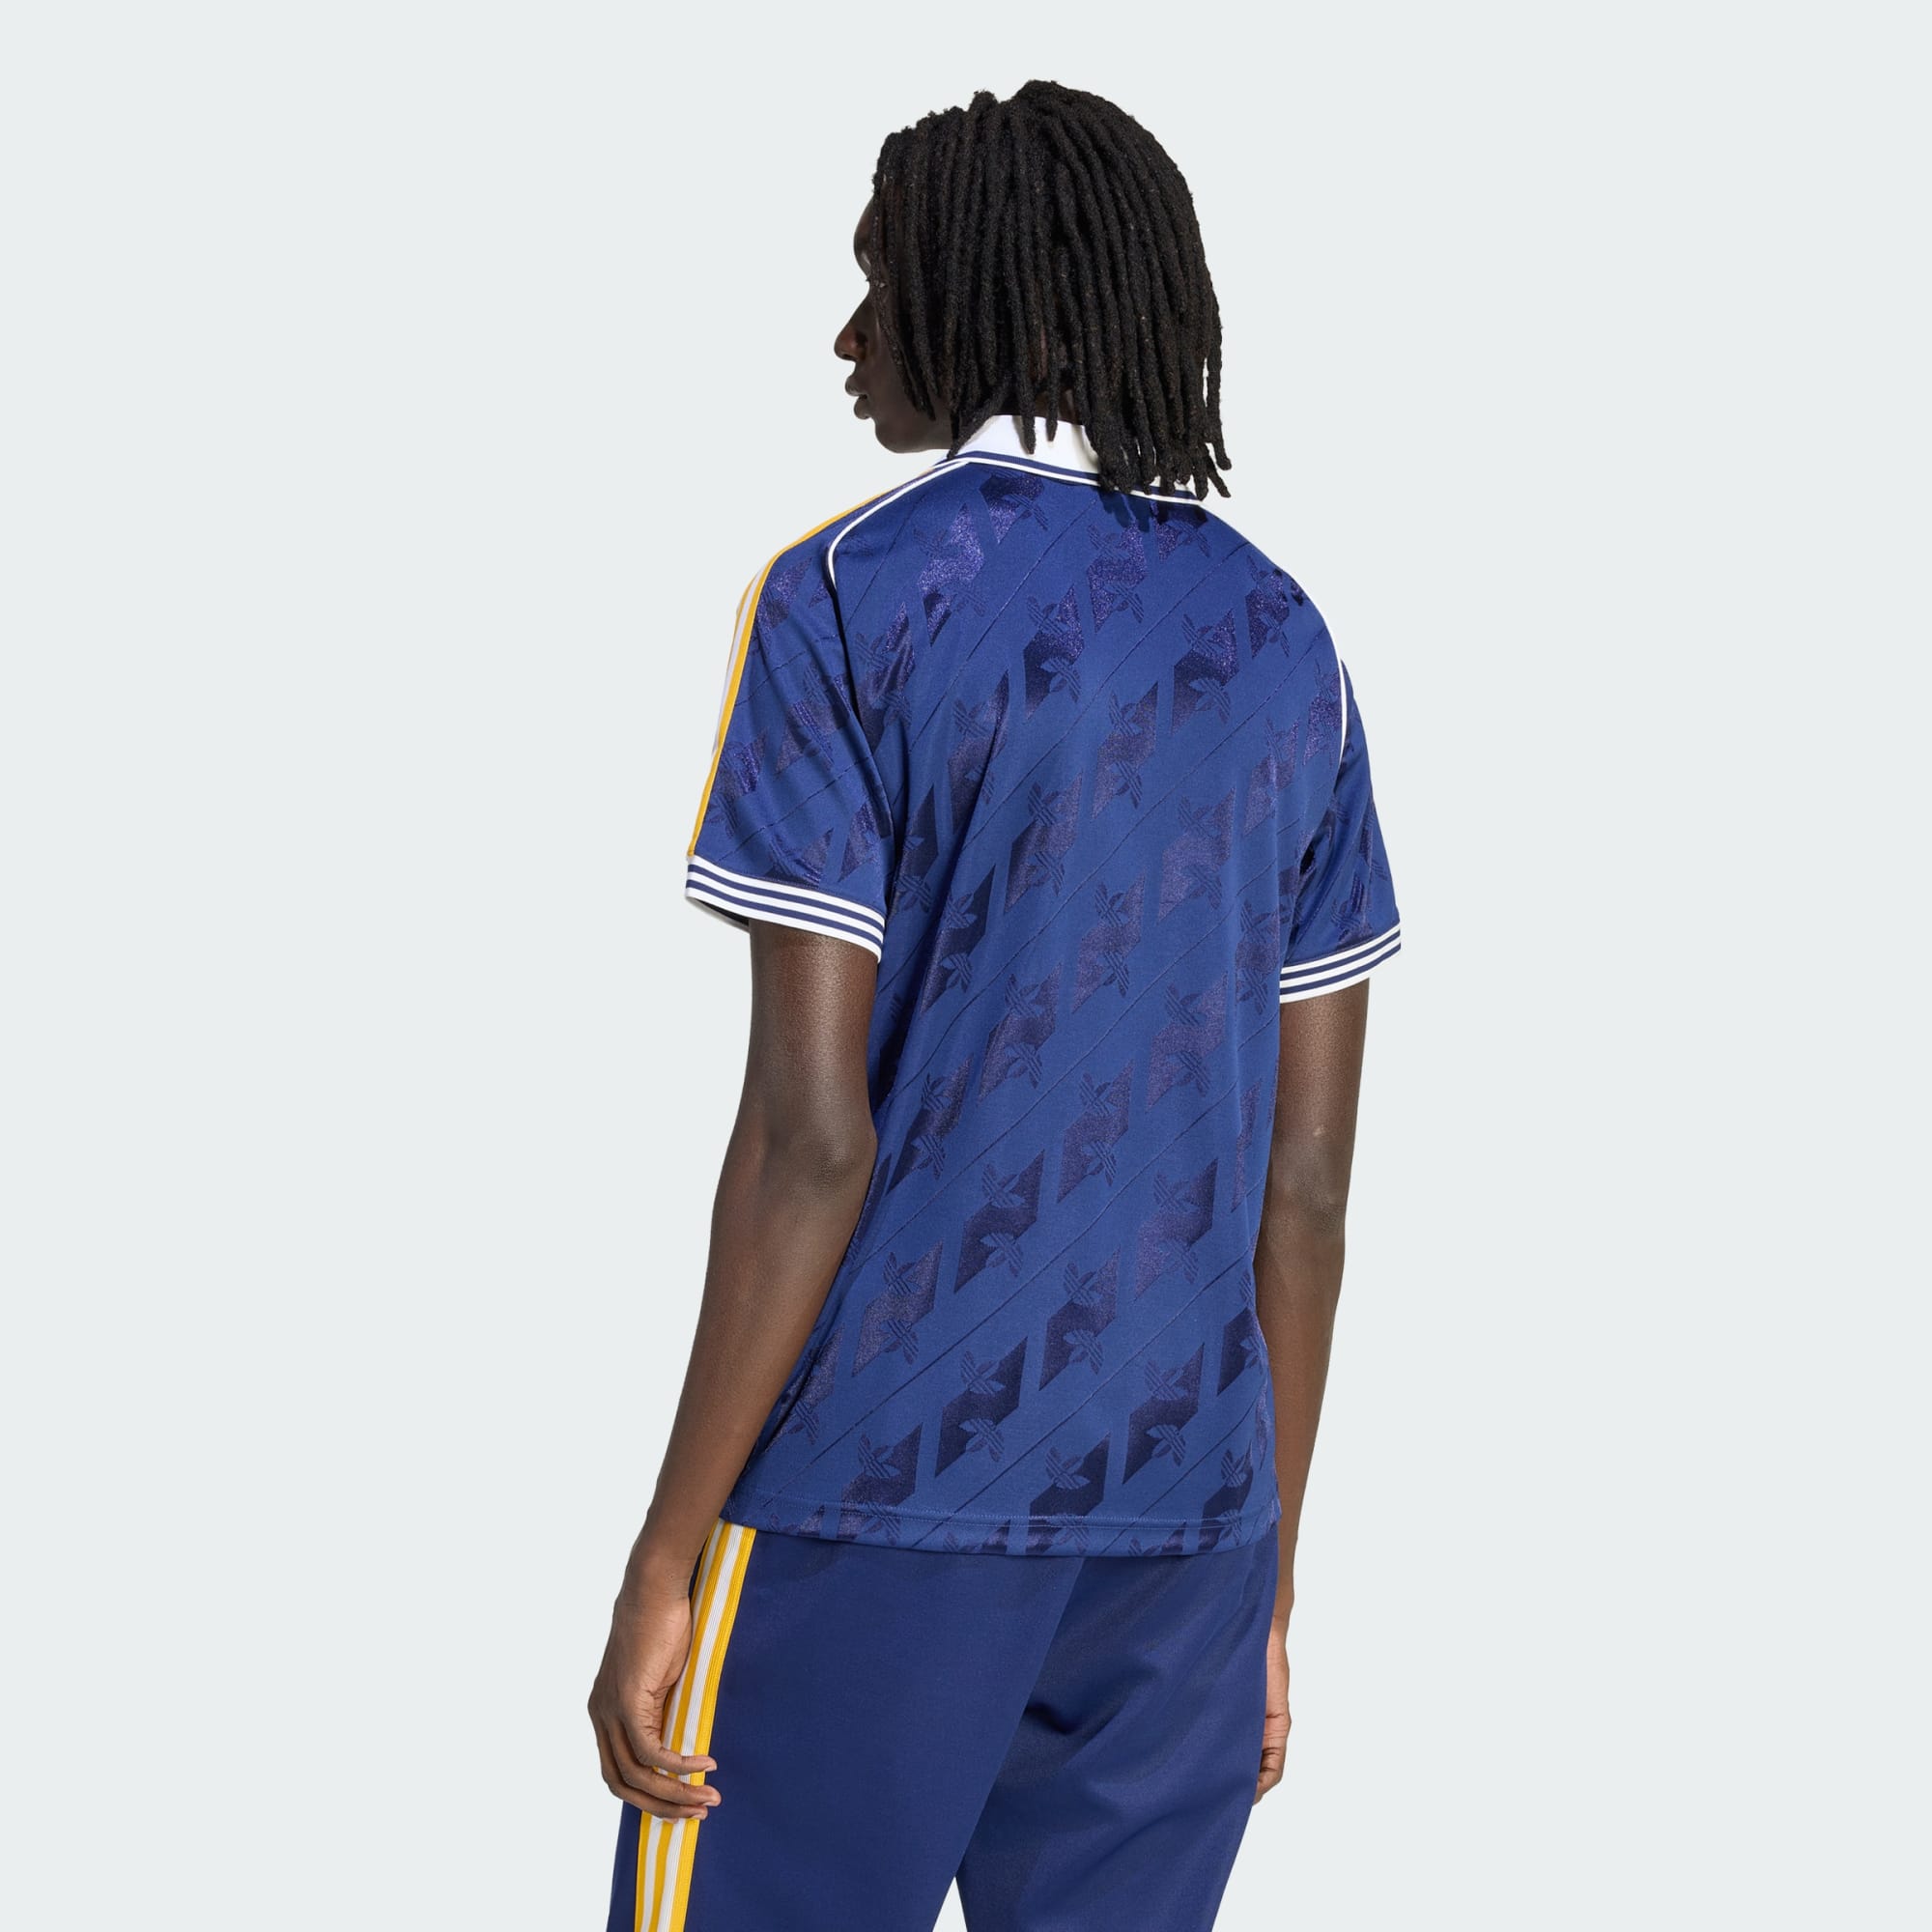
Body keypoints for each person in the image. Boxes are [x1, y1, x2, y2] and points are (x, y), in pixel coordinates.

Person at [590, 78, 1402, 1932]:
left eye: (880, 281)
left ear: (990, 302)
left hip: (881, 1493)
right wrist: (1267, 1584)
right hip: (1190, 1531)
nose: (850, 333)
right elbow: (1307, 1190)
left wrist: (663, 1554)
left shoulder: (848, 600)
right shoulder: (1291, 646)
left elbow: (810, 1141)